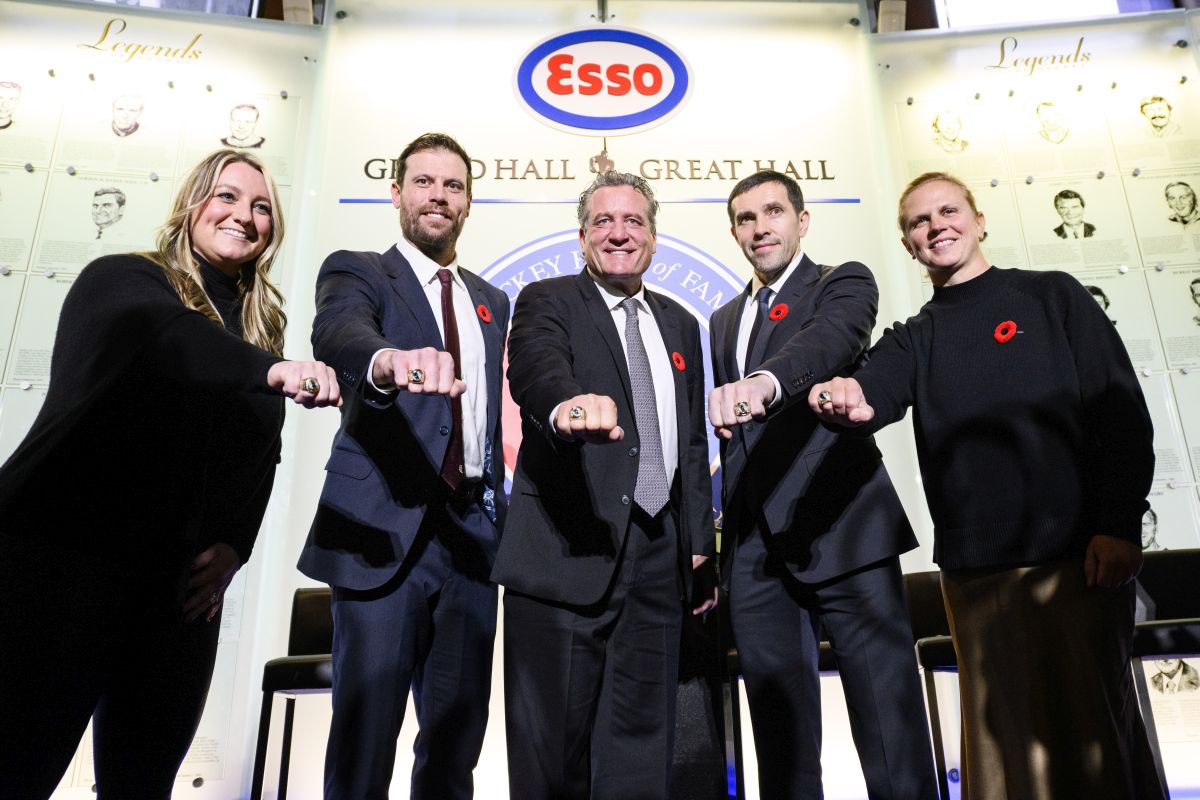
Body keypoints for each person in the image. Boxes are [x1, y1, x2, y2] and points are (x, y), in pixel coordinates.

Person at [809, 171, 1164, 800]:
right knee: (1000, 756)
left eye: (948, 211)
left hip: (1078, 560)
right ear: (909, 245)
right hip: (975, 576)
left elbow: (1121, 415)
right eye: (919, 222)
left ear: (977, 221)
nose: (936, 225)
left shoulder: (1052, 297)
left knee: (1093, 740)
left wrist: (1119, 526)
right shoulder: (915, 336)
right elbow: (873, 394)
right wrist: (846, 396)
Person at [0, 148, 339, 800]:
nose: (244, 215)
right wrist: (270, 371)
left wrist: (237, 543)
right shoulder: (123, 281)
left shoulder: (258, 329)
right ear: (191, 204)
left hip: (176, 595)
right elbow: (168, 339)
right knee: (19, 766)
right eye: (228, 196)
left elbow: (259, 455)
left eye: (262, 206)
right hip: (62, 565)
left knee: (142, 782)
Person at [706, 170, 935, 799]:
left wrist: (764, 386)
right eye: (746, 219)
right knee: (780, 740)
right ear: (733, 233)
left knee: (889, 725)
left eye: (773, 212)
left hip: (846, 530)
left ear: (801, 221)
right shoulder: (724, 319)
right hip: (755, 553)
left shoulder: (843, 282)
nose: (760, 228)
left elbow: (828, 344)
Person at [492, 171, 717, 800]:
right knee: (551, 754)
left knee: (643, 745)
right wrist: (566, 409)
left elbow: (690, 440)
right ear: (583, 236)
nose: (619, 233)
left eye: (634, 221)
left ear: (653, 235)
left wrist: (697, 542)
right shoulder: (547, 299)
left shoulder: (679, 322)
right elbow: (536, 370)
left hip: (657, 555)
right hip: (568, 549)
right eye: (603, 222)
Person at [298, 132, 509, 800]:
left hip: (473, 540)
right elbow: (339, 334)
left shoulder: (491, 302)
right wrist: (388, 362)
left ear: (468, 201)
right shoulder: (358, 270)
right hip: (381, 531)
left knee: (455, 741)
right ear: (396, 193)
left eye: (452, 185)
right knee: (365, 741)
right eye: (423, 182)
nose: (437, 197)